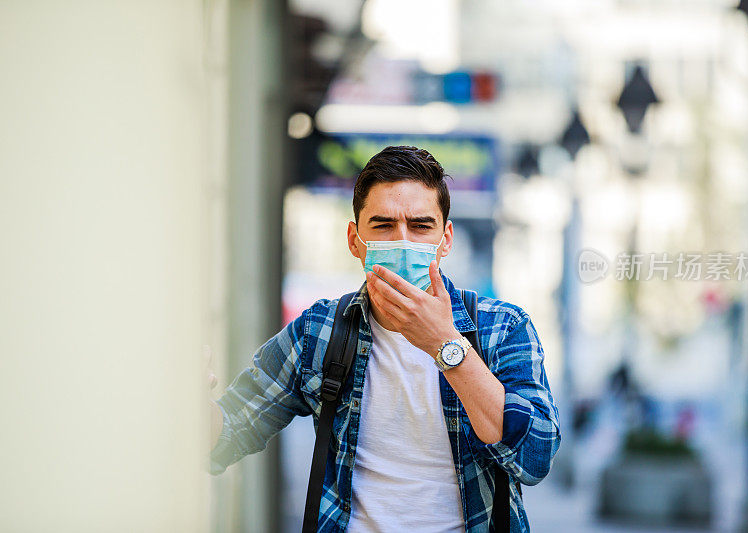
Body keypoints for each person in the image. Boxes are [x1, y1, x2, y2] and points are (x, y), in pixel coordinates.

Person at [207, 145, 561, 532]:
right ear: (355, 240)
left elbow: (534, 457)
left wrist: (444, 344)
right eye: (383, 225)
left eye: (421, 226)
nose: (403, 240)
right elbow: (228, 433)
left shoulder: (502, 328)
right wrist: (190, 404)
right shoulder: (319, 331)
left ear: (445, 240)